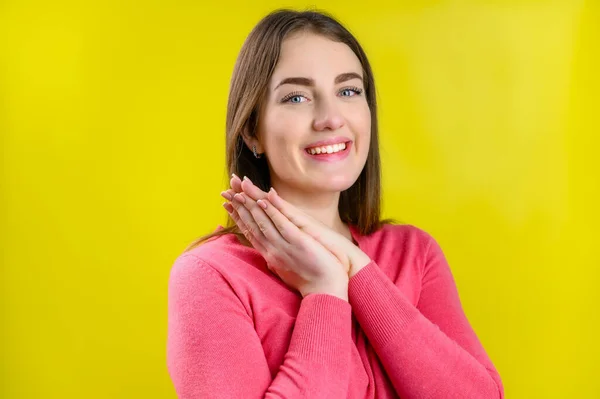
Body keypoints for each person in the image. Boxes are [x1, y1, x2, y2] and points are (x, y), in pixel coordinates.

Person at [166, 9, 504, 399]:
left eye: (348, 91)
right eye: (297, 97)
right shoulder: (211, 276)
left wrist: (358, 269)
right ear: (251, 132)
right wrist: (324, 290)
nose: (330, 118)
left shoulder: (414, 254)